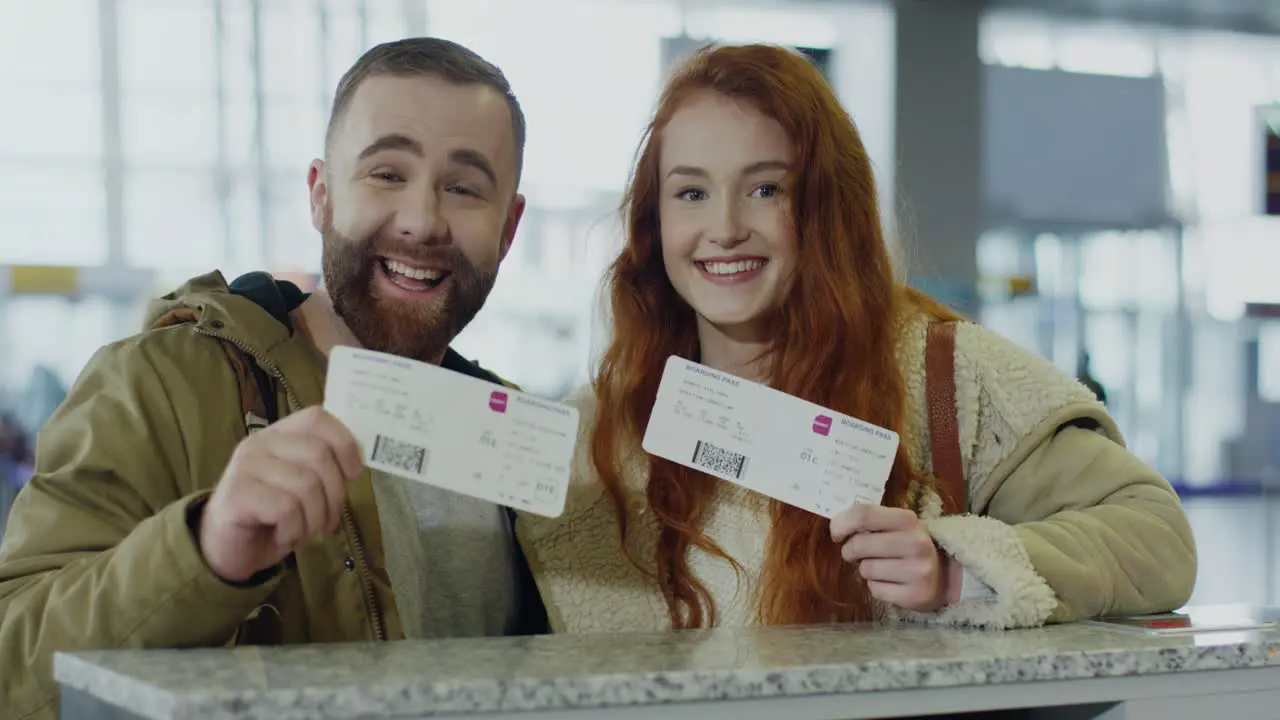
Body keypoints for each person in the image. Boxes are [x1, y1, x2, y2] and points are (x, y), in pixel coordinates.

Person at [516, 44, 1196, 633]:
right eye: (691, 193)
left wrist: (955, 568)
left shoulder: (944, 375)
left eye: (766, 190)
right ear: (652, 219)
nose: (723, 228)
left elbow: (1155, 539)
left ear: (826, 209)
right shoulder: (595, 431)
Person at [0, 37, 546, 720]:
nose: (420, 221)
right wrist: (204, 550)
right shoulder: (161, 385)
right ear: (320, 195)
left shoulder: (516, 441)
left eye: (464, 188)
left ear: (509, 225)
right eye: (385, 174)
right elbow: (12, 664)